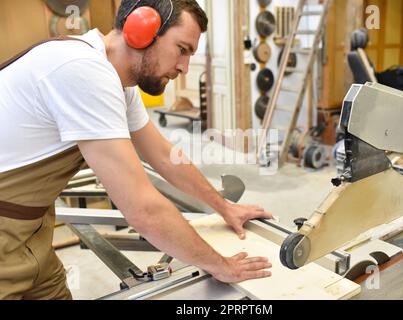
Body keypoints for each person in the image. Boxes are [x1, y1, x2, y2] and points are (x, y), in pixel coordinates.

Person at [0, 0, 273, 300]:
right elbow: (143, 210)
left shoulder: (117, 81)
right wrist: (222, 266)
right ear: (139, 29)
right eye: (182, 49)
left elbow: (165, 157)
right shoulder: (83, 70)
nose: (183, 68)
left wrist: (224, 207)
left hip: (32, 232)